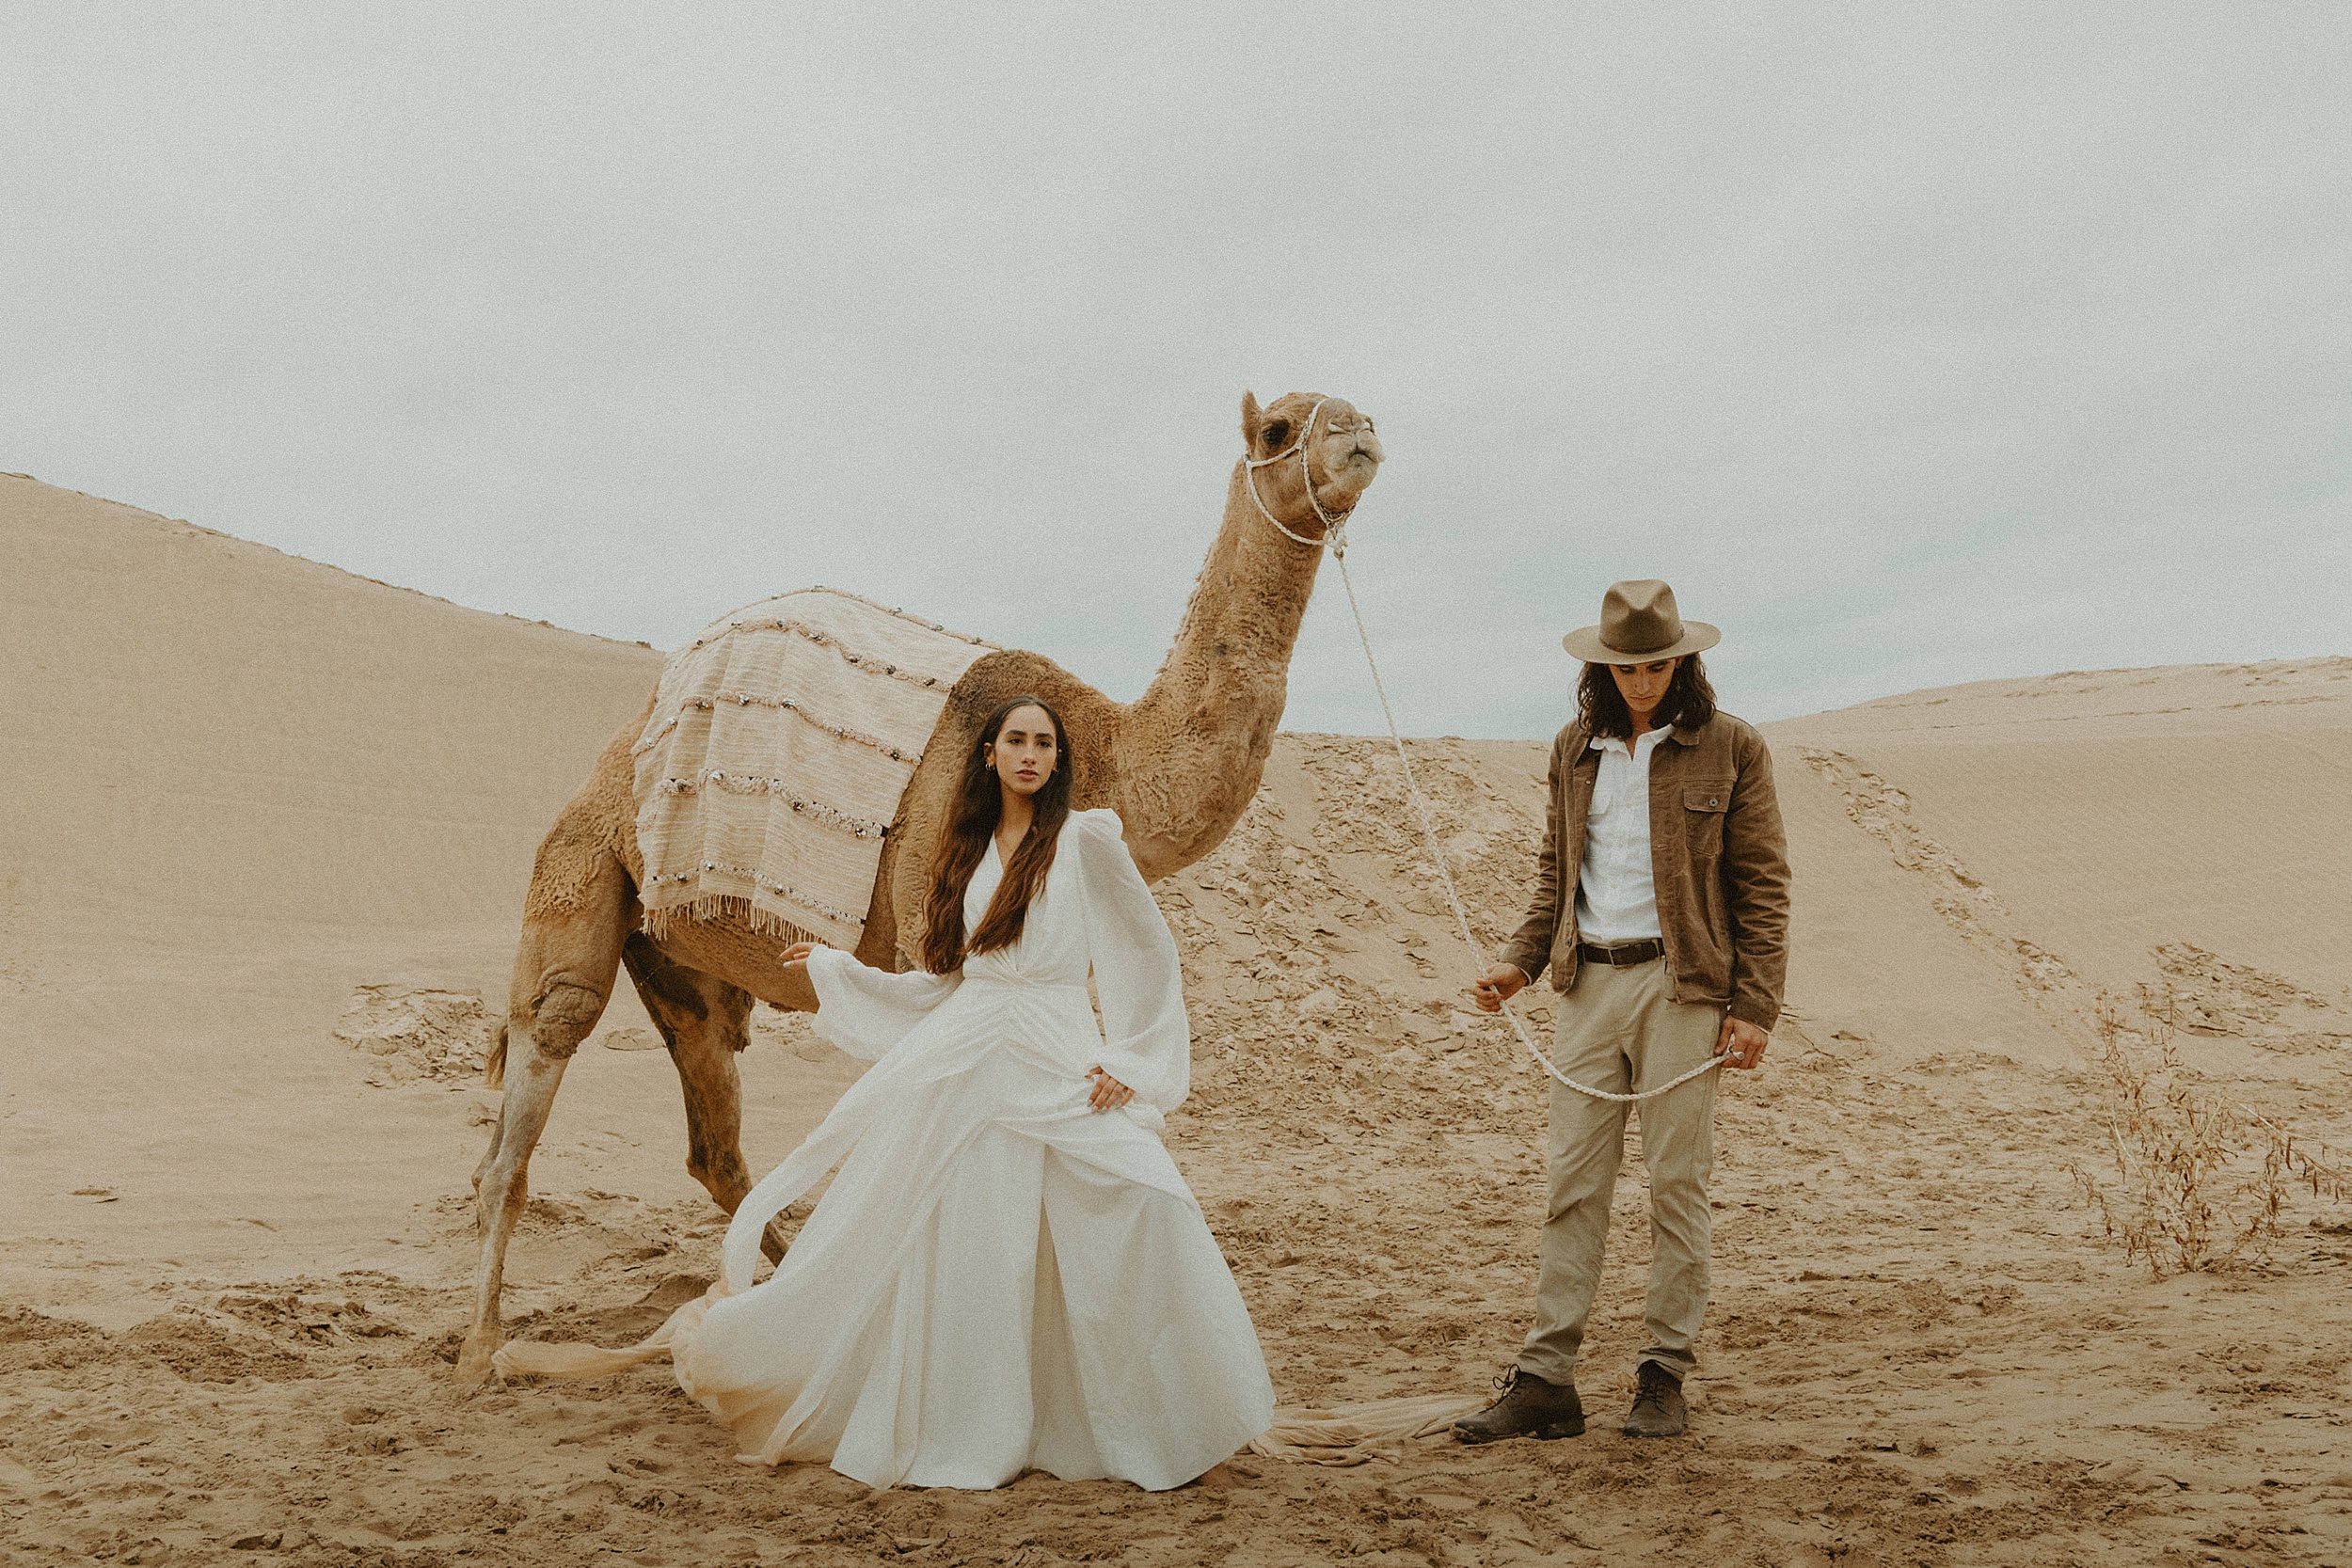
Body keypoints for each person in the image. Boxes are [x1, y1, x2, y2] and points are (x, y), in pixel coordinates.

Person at [497, 694, 1274, 1491]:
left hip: (1060, 1048)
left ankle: (1158, 1406)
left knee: (1143, 1192)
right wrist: (842, 973)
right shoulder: (965, 849)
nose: (1031, 754)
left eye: (1044, 742)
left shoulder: (1084, 841)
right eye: (1016, 740)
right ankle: (982, 1414)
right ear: (991, 755)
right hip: (972, 1048)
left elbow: (1145, 951)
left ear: (1057, 758)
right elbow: (949, 980)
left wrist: (1135, 1058)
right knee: (973, 1232)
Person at [1453, 579, 1789, 1445]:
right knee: (1573, 1185)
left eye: (1656, 663)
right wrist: (1519, 964)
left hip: (1686, 990)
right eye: (1626, 666)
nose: (1641, 680)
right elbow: (1552, 870)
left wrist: (1755, 1006)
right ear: (1604, 666)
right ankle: (1545, 1379)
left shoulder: (1733, 747)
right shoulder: (1575, 747)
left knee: (1679, 1185)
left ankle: (1662, 1373)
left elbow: (1763, 884)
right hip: (1587, 985)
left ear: (1682, 659)